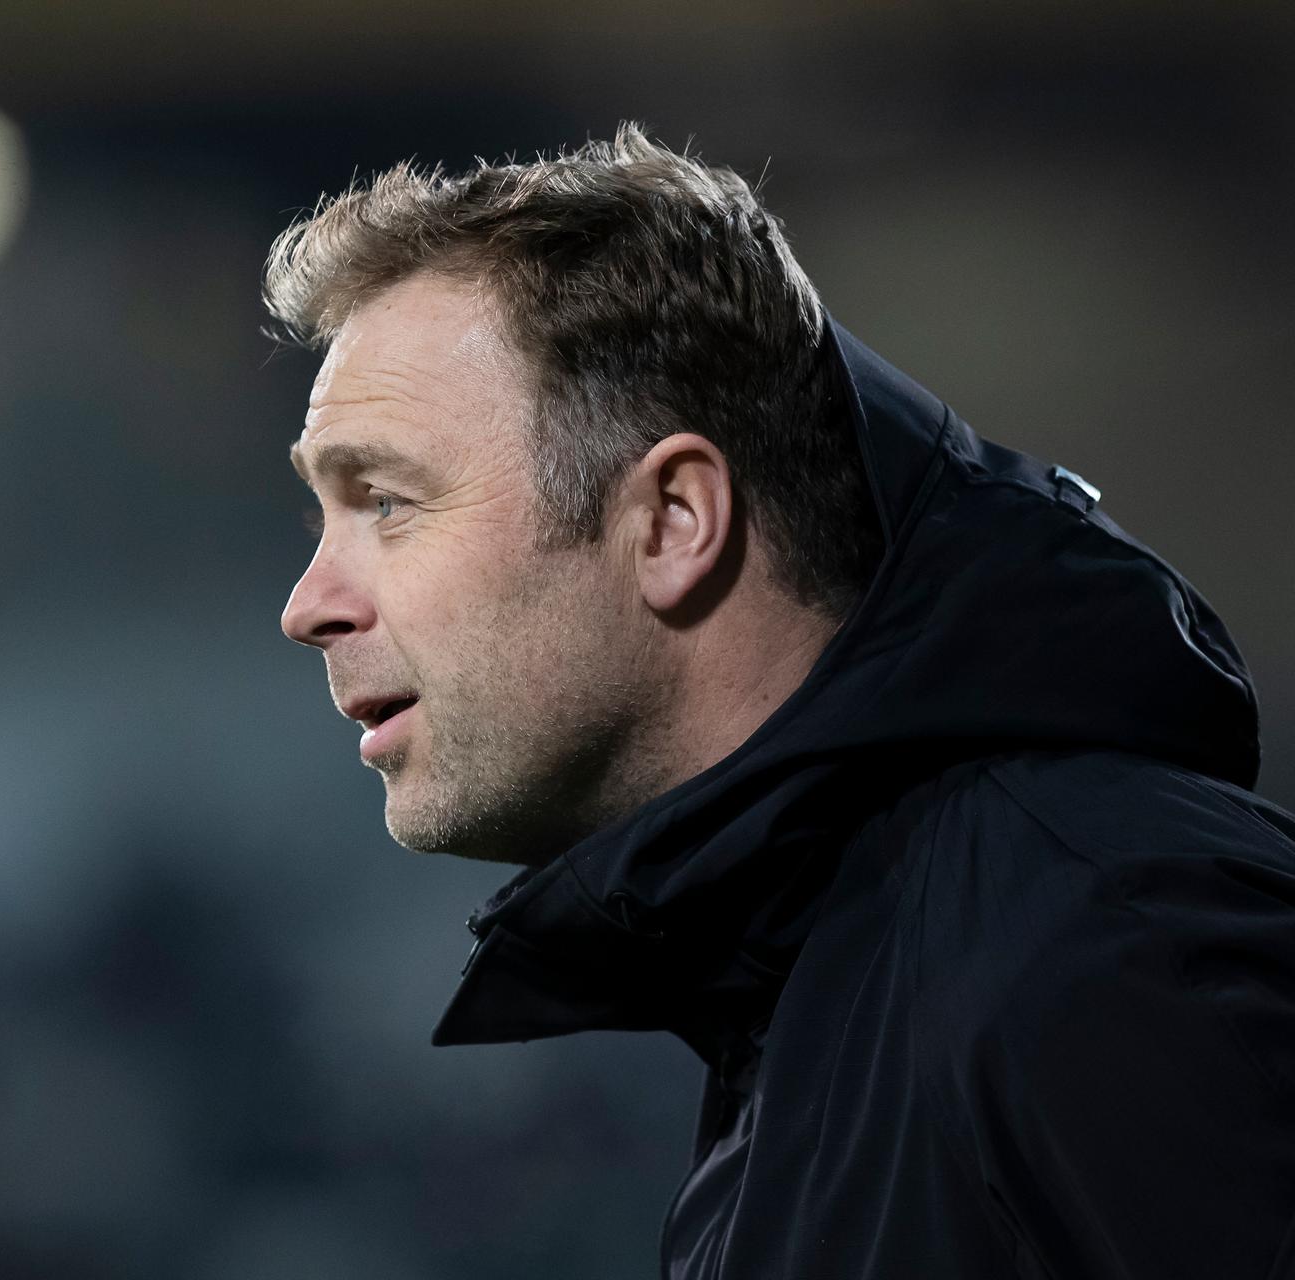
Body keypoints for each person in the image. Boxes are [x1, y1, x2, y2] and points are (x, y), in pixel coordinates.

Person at [267, 124, 1295, 1278]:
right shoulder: (818, 1000)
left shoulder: (1103, 935)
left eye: (387, 501)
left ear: (672, 523)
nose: (310, 603)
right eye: (323, 519)